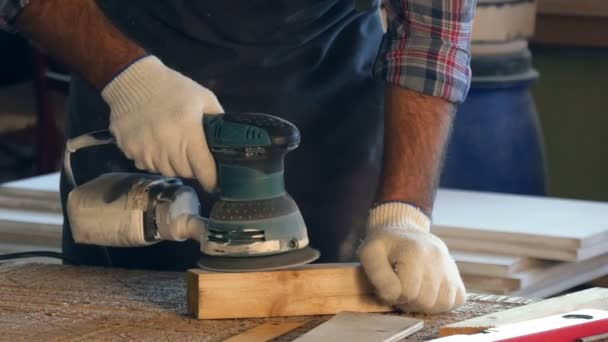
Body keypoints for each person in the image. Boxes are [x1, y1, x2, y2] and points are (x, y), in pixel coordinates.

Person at [2, 0, 475, 314]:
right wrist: (129, 80)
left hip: (329, 107)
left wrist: (403, 216)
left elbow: (431, 37)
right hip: (133, 86)